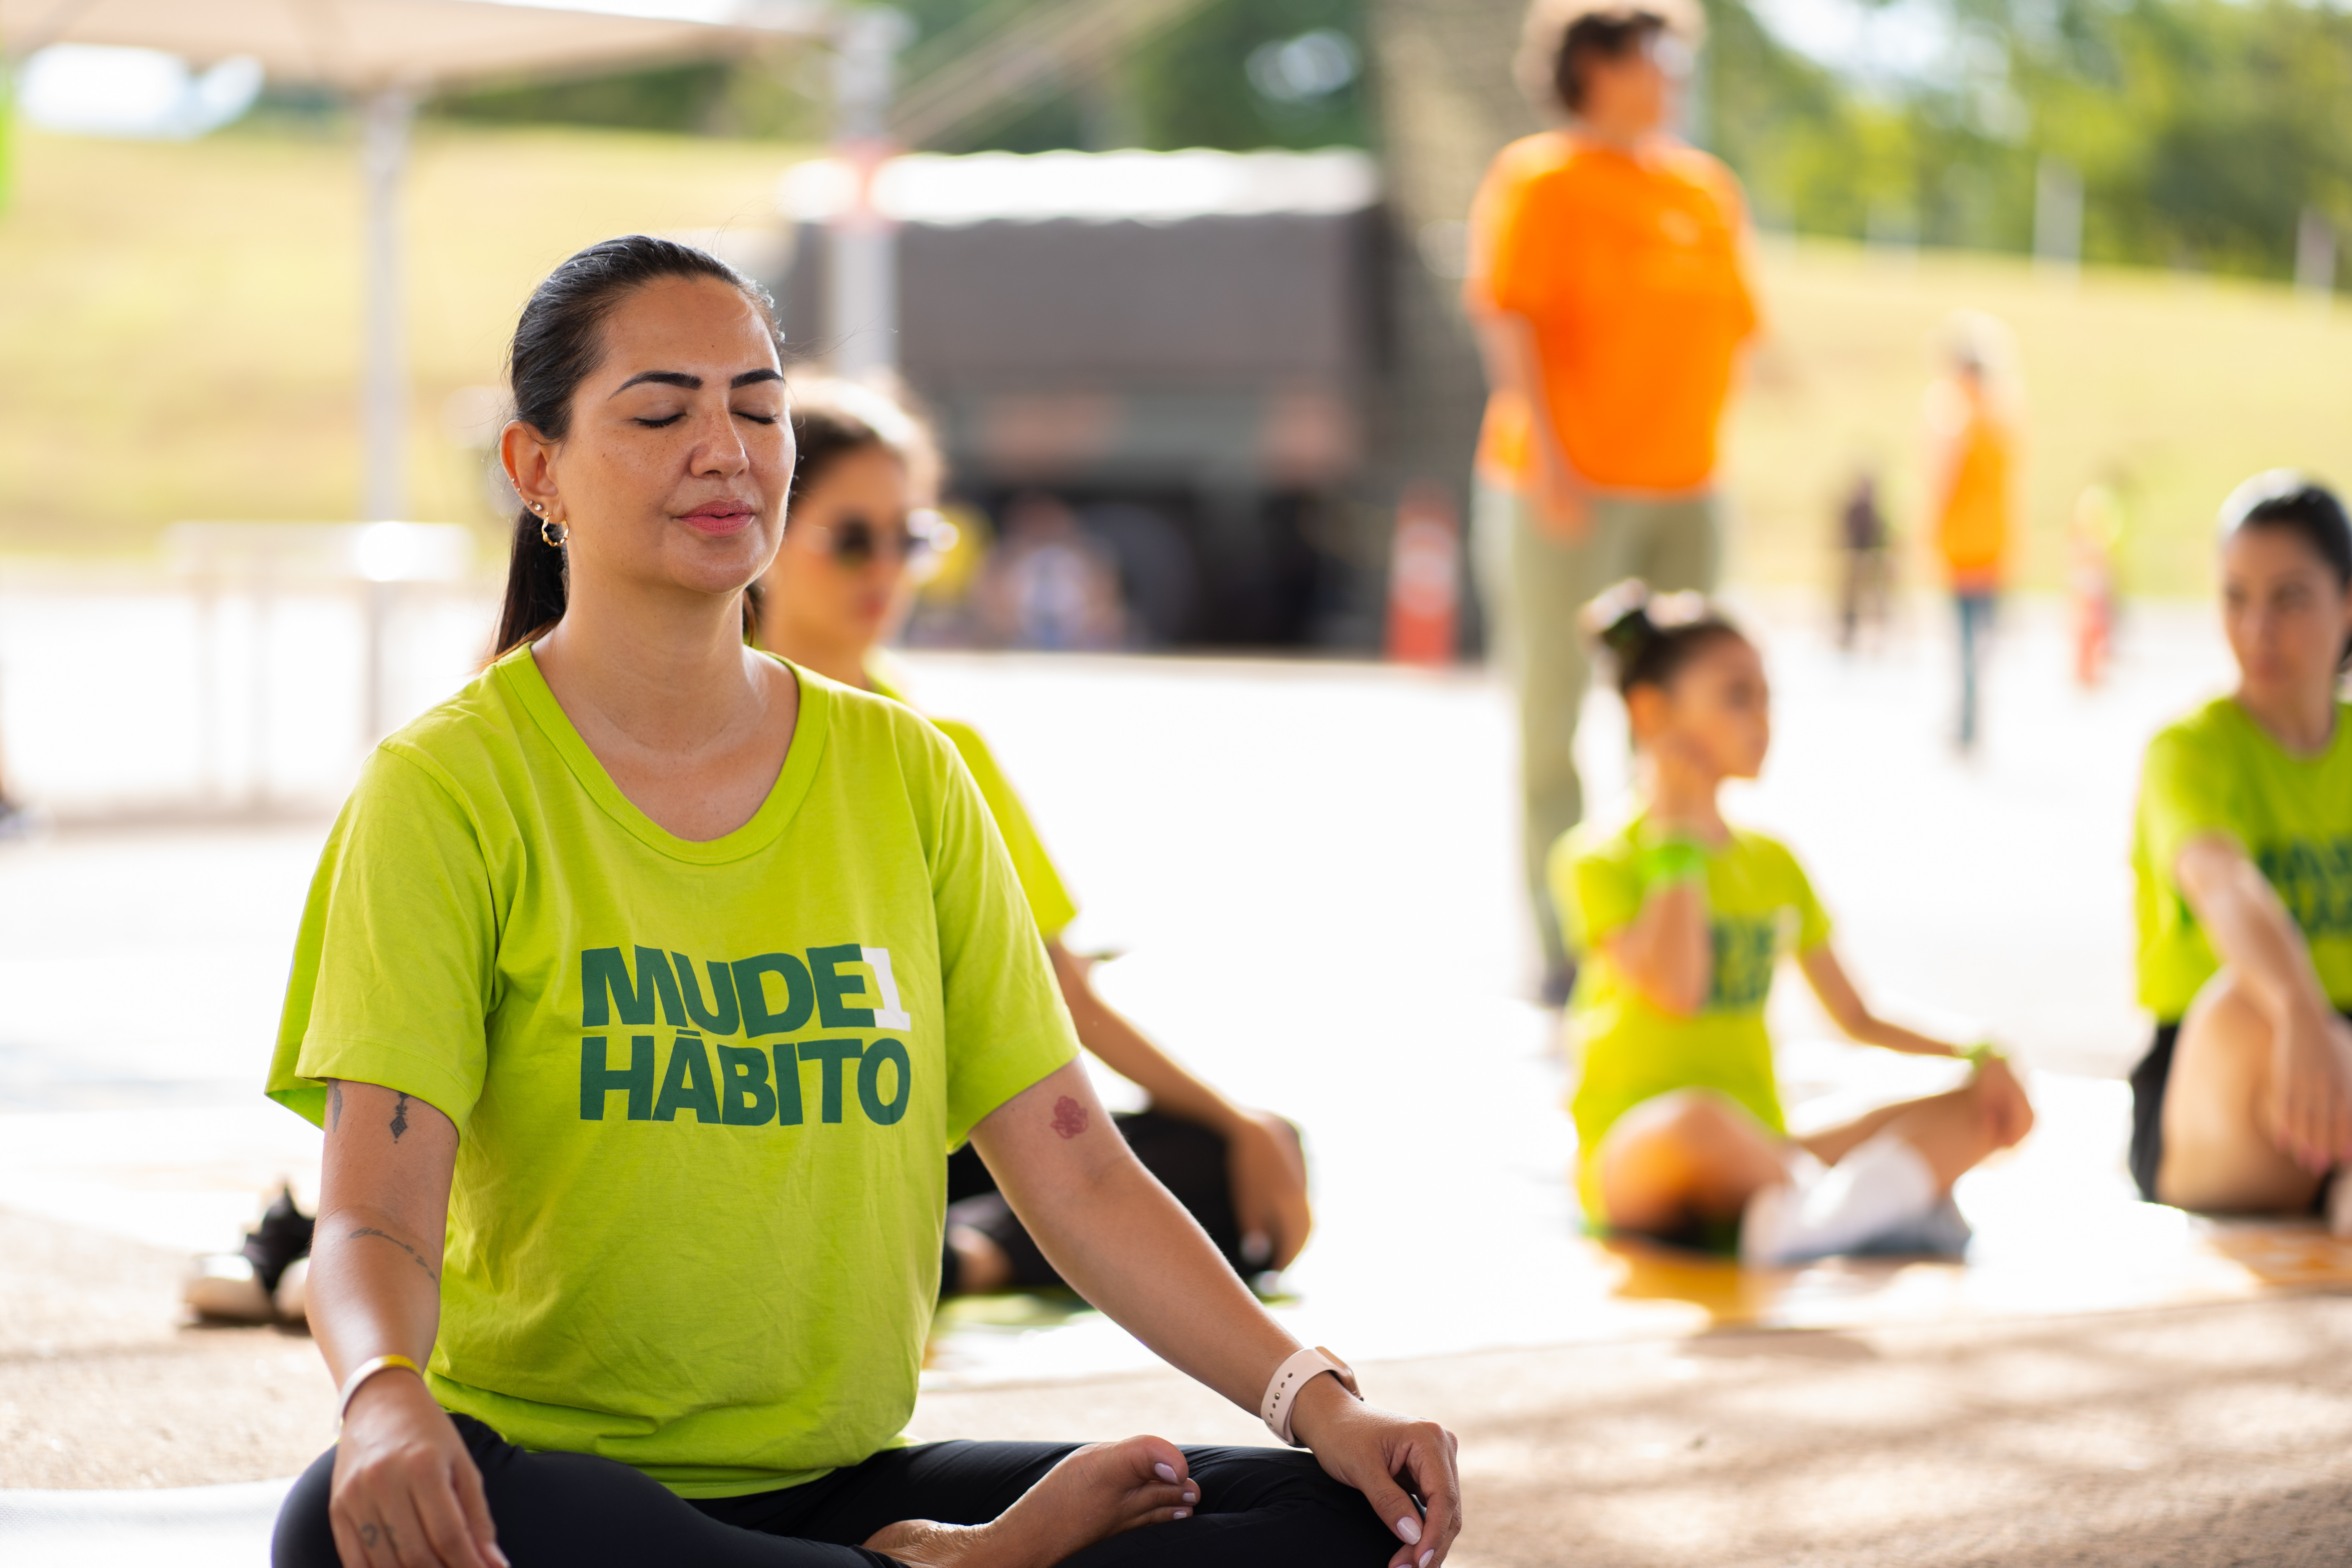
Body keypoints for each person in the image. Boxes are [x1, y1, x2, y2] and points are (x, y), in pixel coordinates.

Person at [263, 237, 1459, 1568]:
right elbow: (369, 1213)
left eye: (758, 409)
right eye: (661, 412)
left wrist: (1323, 1403)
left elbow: (1071, 1163)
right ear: (536, 468)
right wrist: (383, 1404)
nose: (725, 449)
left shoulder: (904, 770)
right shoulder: (447, 789)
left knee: (1350, 1514)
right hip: (560, 1485)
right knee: (339, 1521)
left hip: (841, 1481)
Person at [746, 379, 1314, 1295]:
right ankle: (939, 1250)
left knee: (1236, 1149)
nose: (884, 570)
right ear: (760, 531)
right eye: (852, 539)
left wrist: (1242, 1127)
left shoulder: (942, 746)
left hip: (917, 1136)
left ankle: (955, 1260)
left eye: (913, 539)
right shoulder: (694, 720)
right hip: (739, 1130)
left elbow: (1058, 1000)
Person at [1554, 582, 2035, 1265]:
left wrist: (1975, 1052)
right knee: (1697, 1119)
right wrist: (1678, 840)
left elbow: (1857, 1014)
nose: (1763, 720)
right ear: (1652, 711)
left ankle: (1820, 1221)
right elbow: (1677, 988)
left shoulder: (1772, 861)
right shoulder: (1598, 857)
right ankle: (1867, 1211)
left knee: (1979, 1107)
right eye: (1737, 696)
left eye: (1767, 697)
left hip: (1767, 1153)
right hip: (1644, 1160)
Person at [1464, 0, 1761, 1005]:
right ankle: (1569, 937)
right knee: (1556, 712)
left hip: (1685, 485)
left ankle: (1679, 922)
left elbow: (1738, 331)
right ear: (1598, 65)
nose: (1675, 71)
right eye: (1657, 53)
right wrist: (1550, 461)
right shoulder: (1542, 178)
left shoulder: (1703, 188)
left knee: (1687, 714)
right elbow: (1509, 320)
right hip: (1568, 487)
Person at [2127, 472, 2352, 1235]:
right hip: (2220, 1075)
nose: (2258, 628)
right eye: (2236, 597)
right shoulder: (2189, 752)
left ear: (2346, 602)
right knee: (2244, 1004)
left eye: (2289, 598)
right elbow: (2225, 886)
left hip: (2342, 1059)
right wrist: (2300, 1009)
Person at [1923, 313, 2021, 752]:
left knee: (1963, 638)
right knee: (1981, 638)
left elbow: (1943, 480)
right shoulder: (2003, 418)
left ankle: (1965, 720)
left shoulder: (1958, 417)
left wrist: (1927, 527)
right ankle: (1972, 715)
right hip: (1996, 541)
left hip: (1963, 543)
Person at [1834, 469, 1890, 655]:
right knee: (1852, 601)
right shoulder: (1856, 508)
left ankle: (1876, 638)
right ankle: (1849, 635)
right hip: (1856, 559)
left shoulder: (1876, 510)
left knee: (1873, 601)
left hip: (1871, 560)